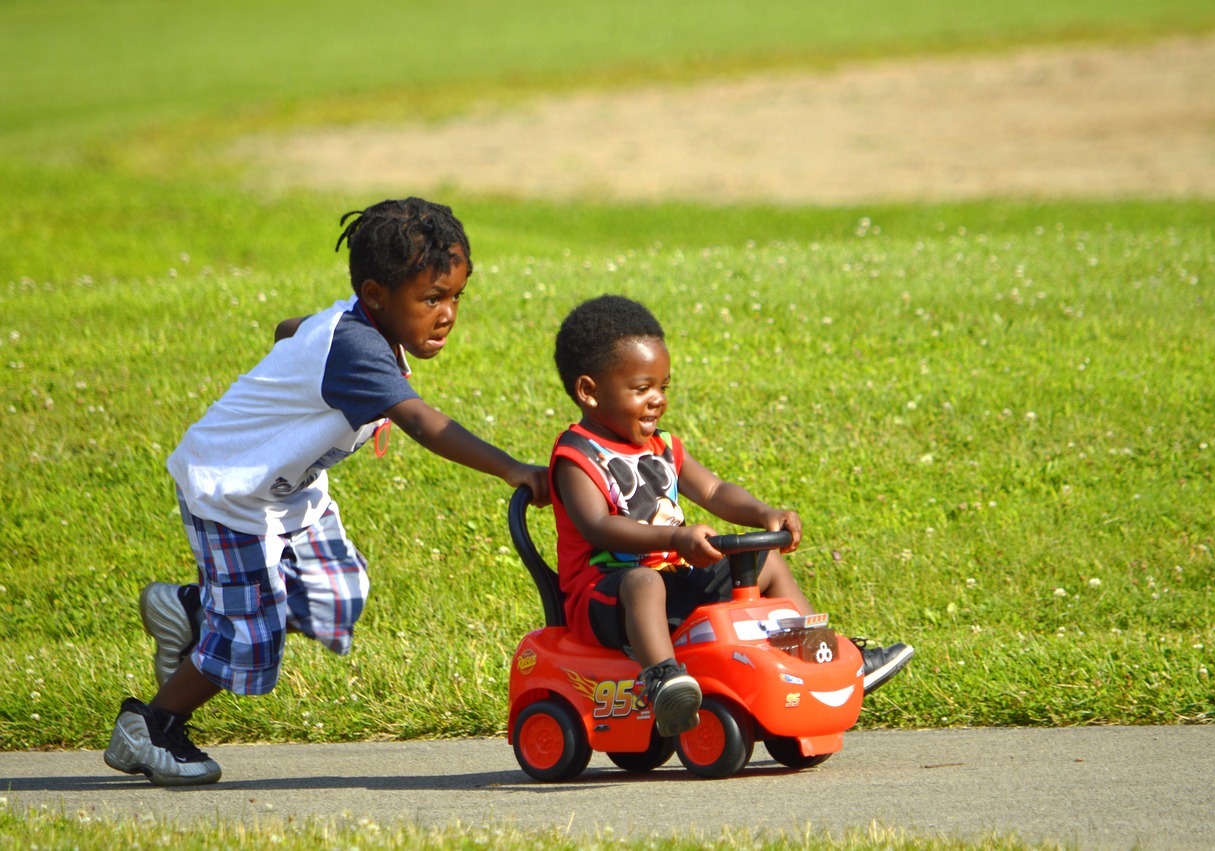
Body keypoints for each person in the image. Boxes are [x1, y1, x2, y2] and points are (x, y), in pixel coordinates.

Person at [104, 198, 549, 786]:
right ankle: (151, 726)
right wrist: (511, 468)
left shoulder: (356, 330)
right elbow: (421, 422)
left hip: (288, 494)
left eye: (455, 298)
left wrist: (293, 347)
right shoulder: (359, 348)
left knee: (336, 595)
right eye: (431, 299)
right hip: (232, 491)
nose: (447, 315)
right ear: (375, 295)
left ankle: (192, 611)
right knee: (249, 638)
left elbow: (291, 329)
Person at [549, 294, 913, 737]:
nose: (657, 401)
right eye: (641, 388)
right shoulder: (577, 456)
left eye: (664, 387)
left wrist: (764, 513)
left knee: (765, 564)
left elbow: (715, 490)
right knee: (643, 581)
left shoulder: (662, 446)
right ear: (589, 392)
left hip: (674, 579)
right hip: (604, 598)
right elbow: (598, 526)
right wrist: (674, 540)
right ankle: (663, 681)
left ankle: (824, 656)